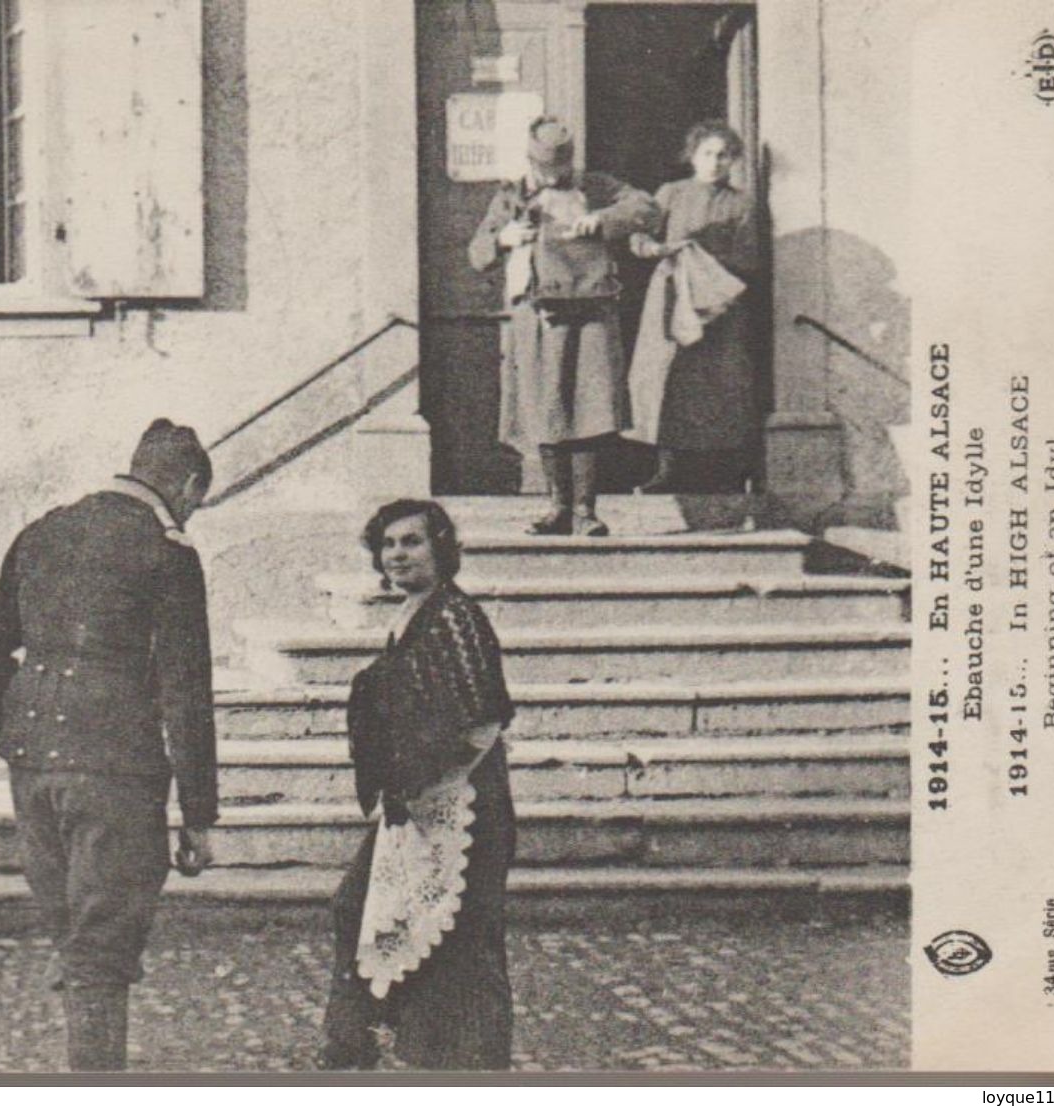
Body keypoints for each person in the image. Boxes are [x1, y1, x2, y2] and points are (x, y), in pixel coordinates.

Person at [0, 419, 219, 1072]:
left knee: (76, 945)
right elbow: (185, 691)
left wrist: (20, 735)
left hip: (35, 770)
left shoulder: (42, 531)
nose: (190, 513)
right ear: (186, 485)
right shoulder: (170, 554)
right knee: (101, 954)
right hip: (116, 773)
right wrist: (199, 814)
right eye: (195, 501)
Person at [321, 500, 517, 1070]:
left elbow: (483, 718)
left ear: (441, 548)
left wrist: (433, 788)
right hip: (419, 801)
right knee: (360, 908)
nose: (398, 554)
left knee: (464, 942)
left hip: (467, 804)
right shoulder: (411, 614)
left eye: (412, 542)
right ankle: (355, 1046)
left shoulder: (455, 616)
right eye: (388, 545)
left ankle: (469, 1069)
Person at [469, 117, 659, 537]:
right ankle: (557, 508)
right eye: (545, 169)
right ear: (530, 160)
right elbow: (478, 252)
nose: (553, 177)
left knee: (591, 408)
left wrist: (603, 220)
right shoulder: (511, 195)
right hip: (537, 314)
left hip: (592, 309)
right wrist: (504, 239)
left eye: (559, 169)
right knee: (546, 407)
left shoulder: (596, 186)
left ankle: (586, 510)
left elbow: (646, 208)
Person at [626, 120, 761, 493]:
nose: (715, 162)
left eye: (724, 155)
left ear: (733, 160)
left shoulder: (740, 203)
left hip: (718, 304)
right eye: (708, 154)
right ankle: (666, 469)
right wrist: (655, 249)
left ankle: (715, 474)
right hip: (670, 297)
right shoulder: (671, 194)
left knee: (716, 385)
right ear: (693, 156)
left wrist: (708, 258)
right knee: (665, 376)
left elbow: (750, 259)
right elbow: (639, 235)